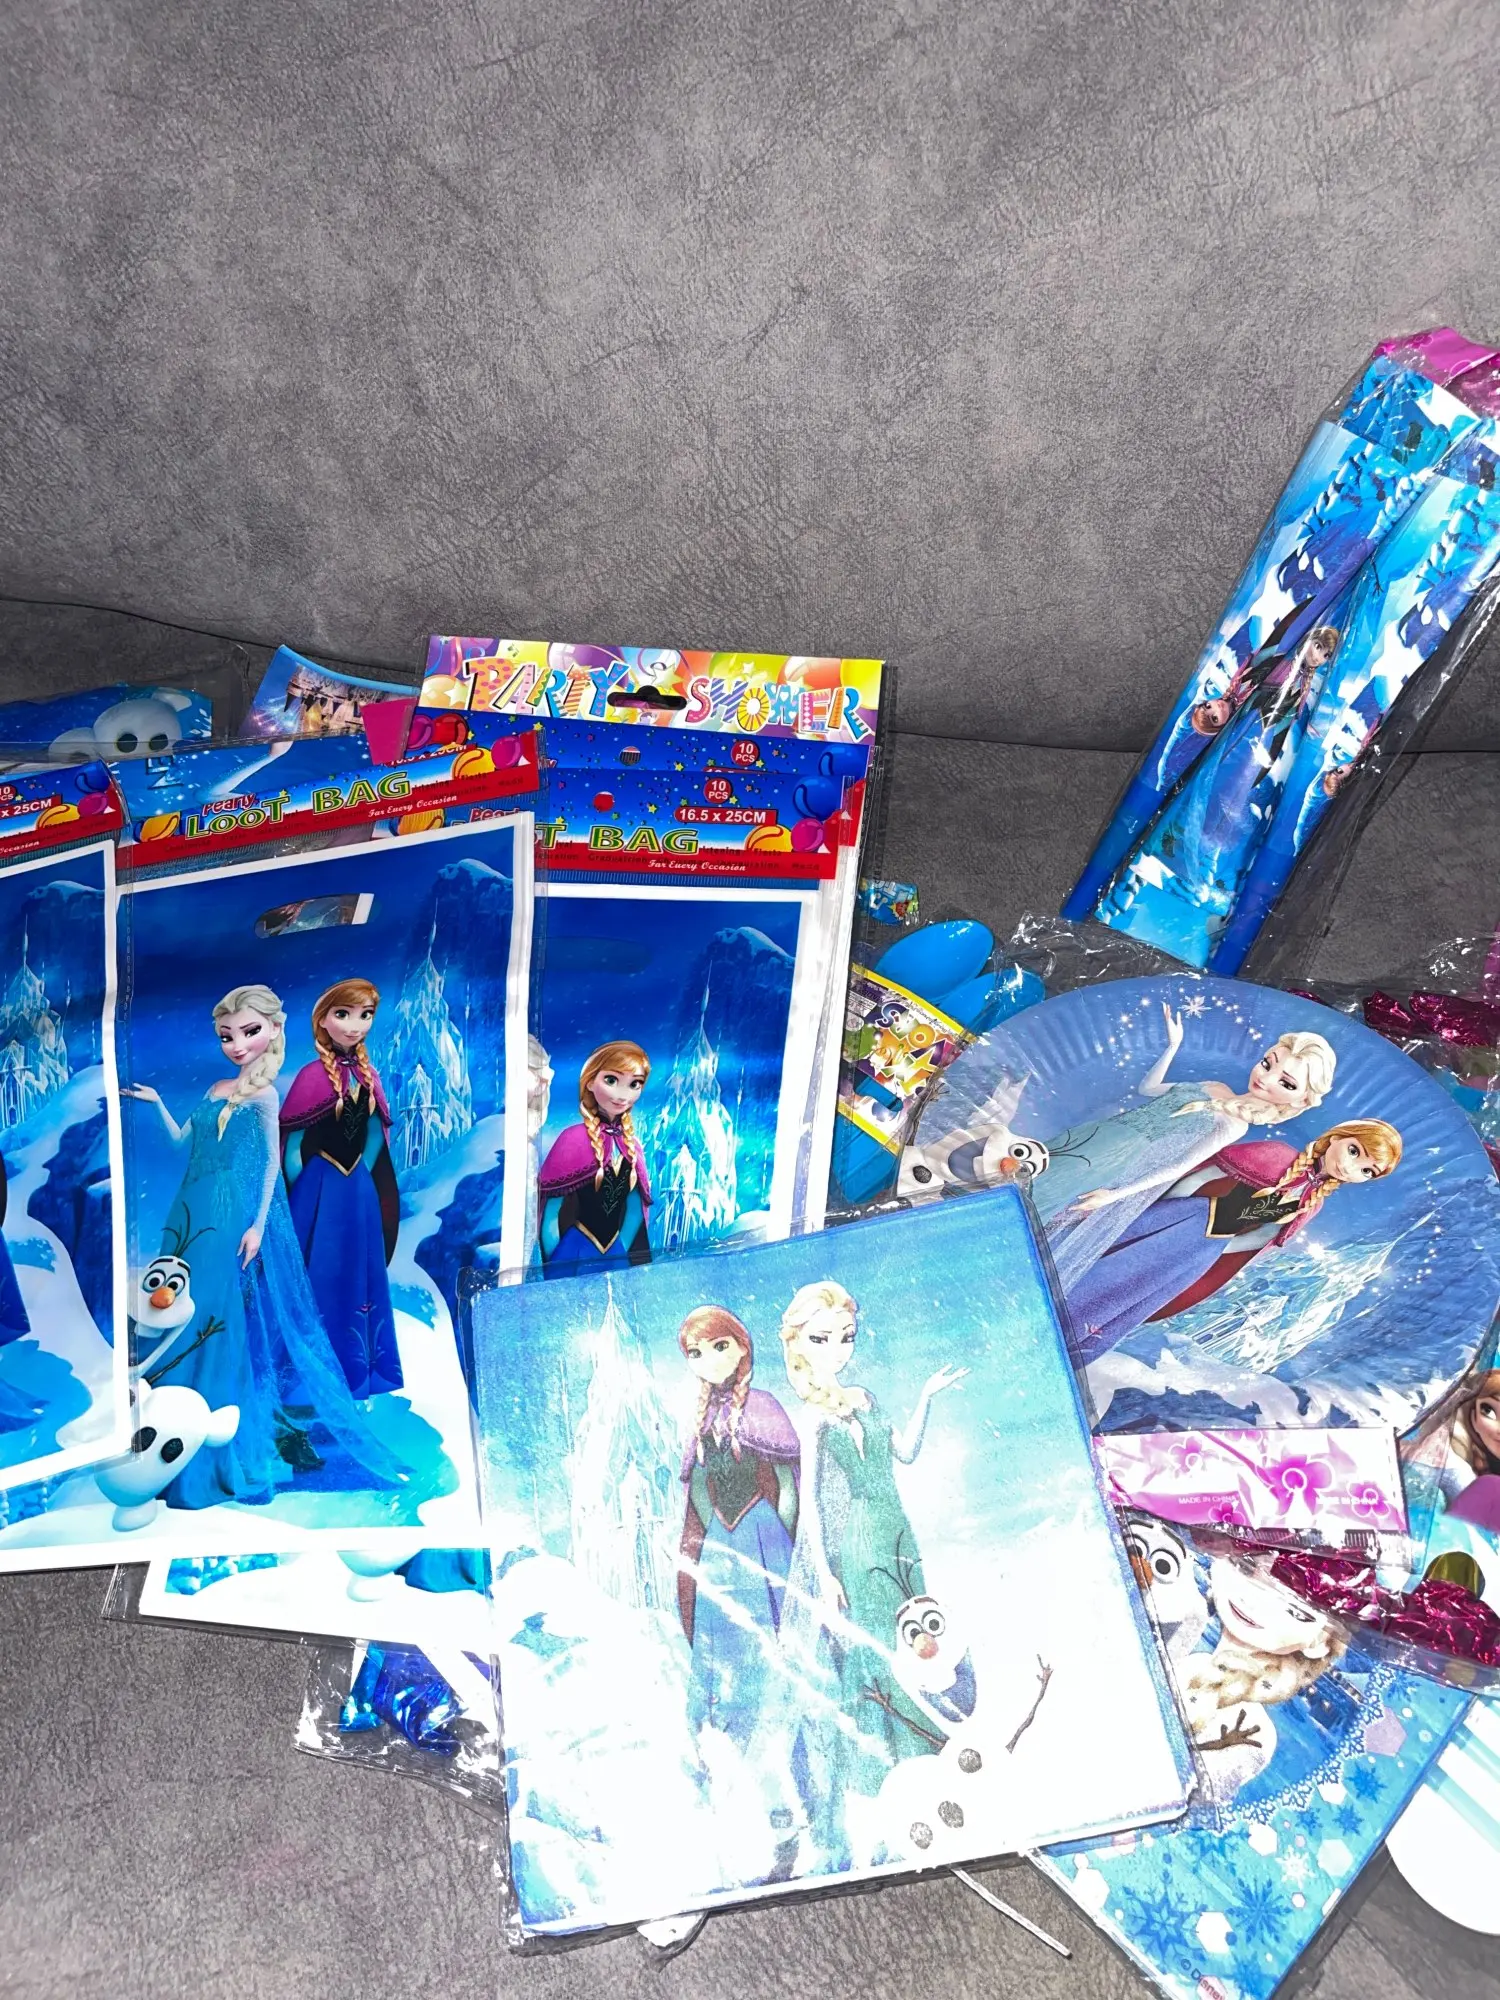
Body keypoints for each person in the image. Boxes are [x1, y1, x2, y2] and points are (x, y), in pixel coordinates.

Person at [124, 984, 421, 1510]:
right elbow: (181, 1143)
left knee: (219, 1313)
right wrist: (156, 1105)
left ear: (275, 1030)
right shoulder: (218, 1088)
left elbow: (269, 1164)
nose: (237, 1045)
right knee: (183, 1305)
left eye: (249, 1032)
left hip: (231, 1215)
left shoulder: (266, 1096)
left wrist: (258, 1225)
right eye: (227, 1036)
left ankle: (213, 1428)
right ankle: (163, 1421)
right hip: (190, 1209)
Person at [774, 1281, 965, 1838]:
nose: (837, 1349)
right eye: (821, 1338)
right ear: (798, 1344)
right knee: (879, 1648)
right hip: (857, 1544)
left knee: (921, 1634)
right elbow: (811, 1504)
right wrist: (825, 1571)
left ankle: (935, 1741)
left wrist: (926, 1397)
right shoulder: (812, 1419)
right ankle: (887, 1764)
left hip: (899, 1532)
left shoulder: (865, 1398)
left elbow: (905, 1453)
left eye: (846, 1336)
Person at [1033, 1003, 1337, 1293]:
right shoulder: (1216, 1086)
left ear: (1301, 1100)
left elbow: (1178, 1166)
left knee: (1049, 1202)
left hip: (1120, 1161)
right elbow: (1148, 1089)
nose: (1265, 1077)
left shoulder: (1235, 1124)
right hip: (1103, 1133)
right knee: (1036, 1172)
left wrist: (1113, 1195)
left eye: (1286, 1083)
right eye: (1267, 1063)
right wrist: (1173, 1046)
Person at [1064, 1119, 1401, 1364]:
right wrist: (1162, 1211)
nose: (1351, 1167)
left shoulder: (1312, 1202)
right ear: (1337, 1138)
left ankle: (1074, 1332)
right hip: (1185, 1217)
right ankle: (1062, 1301)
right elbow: (1205, 1175)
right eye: (1354, 1151)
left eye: (1367, 1171)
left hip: (1202, 1249)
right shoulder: (1277, 1154)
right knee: (1116, 1265)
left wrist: (1215, 1250)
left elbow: (1265, 1236)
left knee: (1138, 1290)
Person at [675, 1306, 800, 1748]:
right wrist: (710, 1536)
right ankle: (731, 1744)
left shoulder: (763, 1406)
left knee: (773, 1639)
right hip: (720, 1548)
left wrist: (781, 1538)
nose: (708, 1360)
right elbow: (698, 1490)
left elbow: (787, 1484)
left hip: (765, 1537)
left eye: (719, 1346)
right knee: (725, 1641)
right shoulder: (700, 1419)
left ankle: (781, 1740)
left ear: (742, 1348)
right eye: (696, 1352)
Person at [280, 979, 401, 1399]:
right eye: (344, 1014)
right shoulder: (311, 1077)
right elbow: (292, 1147)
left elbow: (374, 1137)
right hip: (317, 1192)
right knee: (317, 1276)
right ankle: (303, 1378)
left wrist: (360, 1178)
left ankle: (354, 1370)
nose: (355, 1025)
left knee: (355, 1273)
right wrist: (305, 1193)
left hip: (356, 1193)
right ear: (323, 1020)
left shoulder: (369, 1077)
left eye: (365, 1015)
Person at [537, 1040, 652, 1274]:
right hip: (575, 1252)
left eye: (634, 1084)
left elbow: (634, 1212)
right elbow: (550, 1215)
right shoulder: (572, 1139)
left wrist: (621, 1249)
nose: (622, 1094)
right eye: (611, 1080)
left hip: (615, 1256)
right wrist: (556, 1261)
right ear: (590, 1082)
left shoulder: (632, 1146)